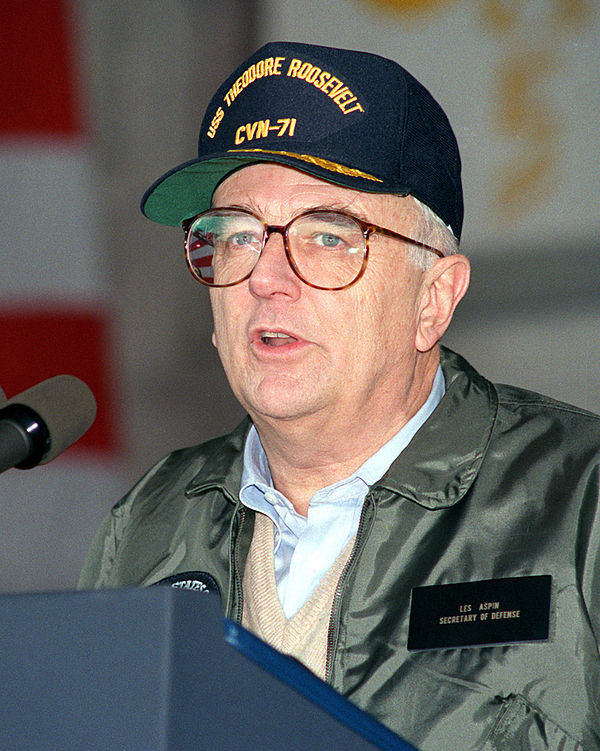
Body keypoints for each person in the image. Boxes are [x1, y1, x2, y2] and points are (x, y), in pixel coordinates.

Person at [79, 42, 600, 749]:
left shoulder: (581, 505)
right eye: (235, 236)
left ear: (434, 298)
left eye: (326, 236)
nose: (265, 278)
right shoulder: (147, 526)